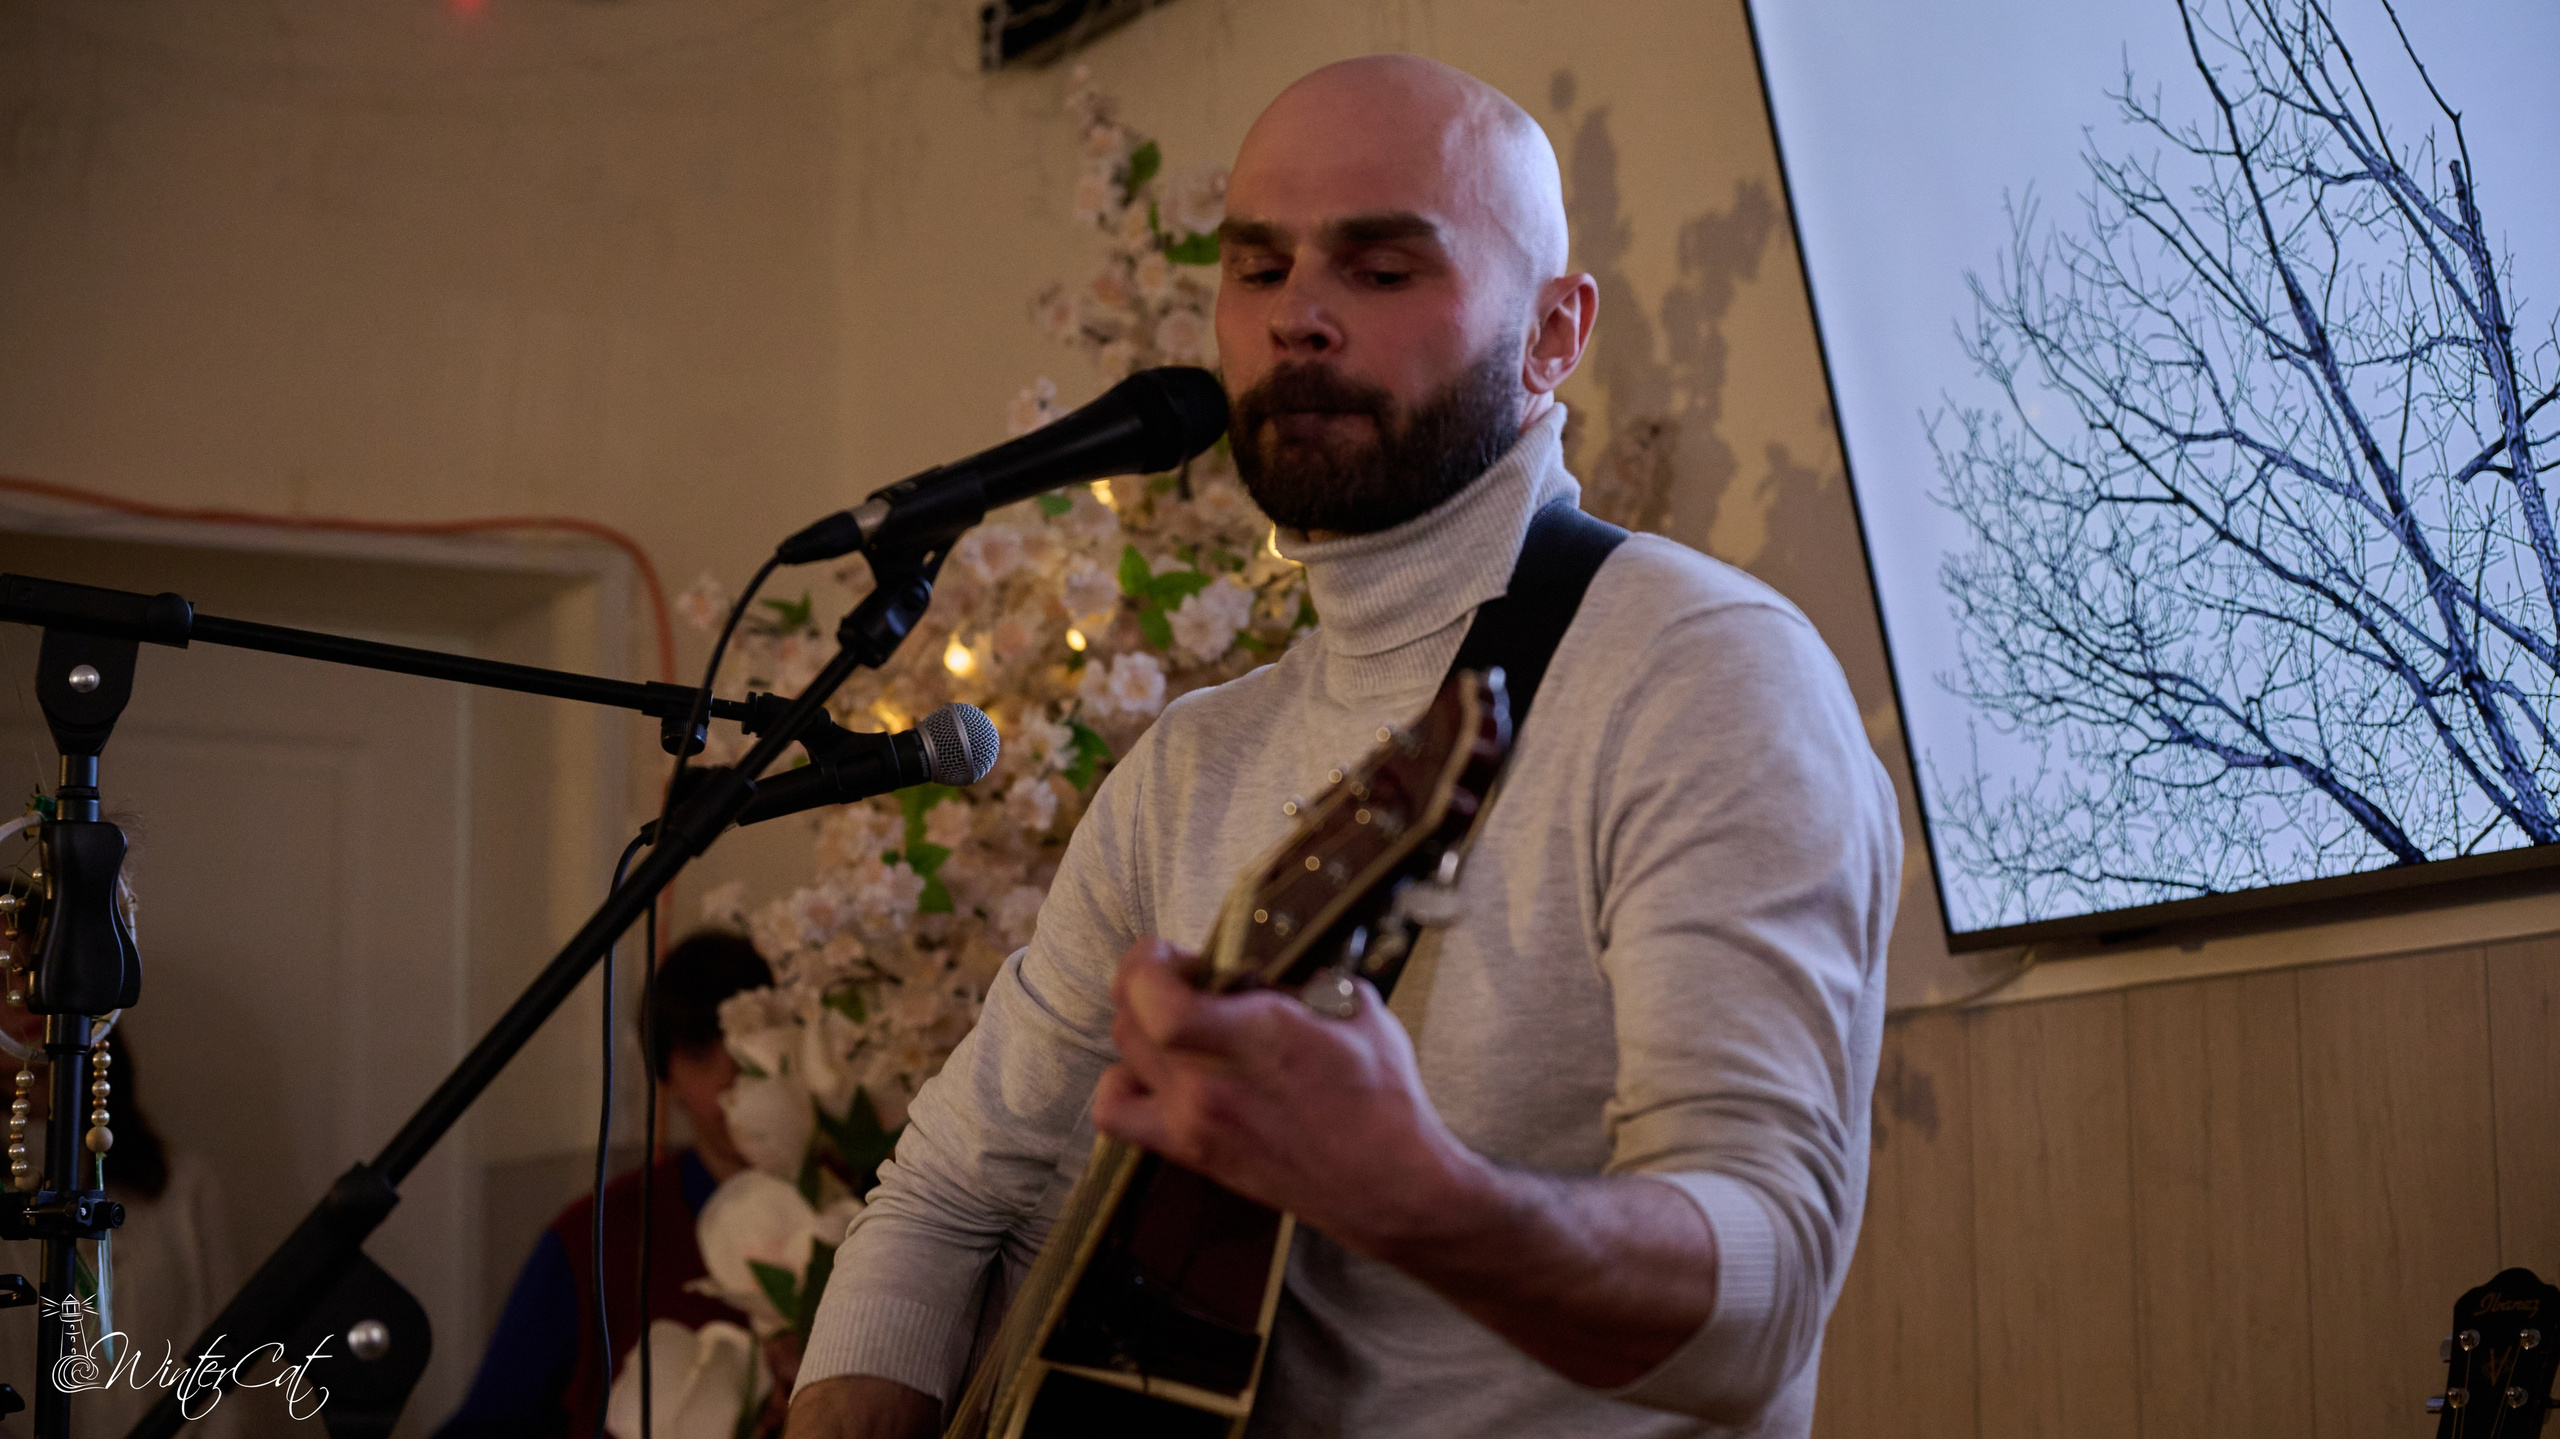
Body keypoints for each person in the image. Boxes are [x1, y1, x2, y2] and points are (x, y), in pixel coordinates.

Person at [786, 54, 1900, 1439]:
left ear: (1555, 333)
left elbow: (1766, 1300)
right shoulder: (1191, 767)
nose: (1298, 317)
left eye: (1380, 270)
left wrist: (1422, 1197)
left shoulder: (1702, 673)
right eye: (1257, 268)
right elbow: (951, 1192)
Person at [437, 930, 773, 1439]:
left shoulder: (867, 1206)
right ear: (667, 1077)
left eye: (753, 1048)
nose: (733, 1081)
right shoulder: (596, 1237)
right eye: (703, 1057)